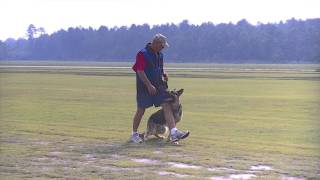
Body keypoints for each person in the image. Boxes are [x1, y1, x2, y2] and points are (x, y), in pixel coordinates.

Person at [130, 33, 189, 143]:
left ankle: (173, 133)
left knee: (166, 104)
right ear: (156, 43)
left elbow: (160, 68)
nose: (162, 48)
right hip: (144, 87)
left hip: (159, 87)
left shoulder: (160, 55)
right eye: (162, 46)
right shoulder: (142, 54)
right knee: (141, 110)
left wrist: (164, 74)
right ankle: (134, 134)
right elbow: (140, 71)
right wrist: (148, 85)